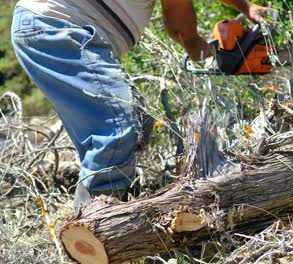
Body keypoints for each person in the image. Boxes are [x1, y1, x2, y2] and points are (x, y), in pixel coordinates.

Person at [11, 0, 268, 209]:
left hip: (66, 29)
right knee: (119, 124)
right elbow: (179, 26)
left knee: (138, 119)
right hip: (56, 25)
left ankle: (116, 210)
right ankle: (94, 224)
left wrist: (245, 9)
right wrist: (209, 50)